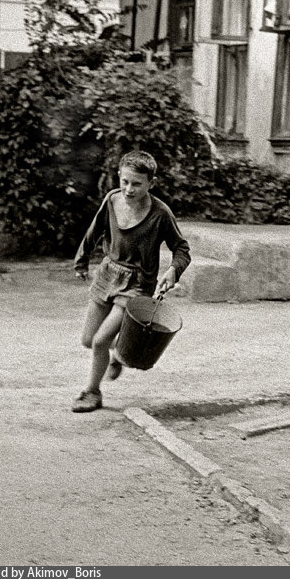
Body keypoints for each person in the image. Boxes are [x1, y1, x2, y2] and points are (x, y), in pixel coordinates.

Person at [71, 150, 191, 412]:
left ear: (151, 183)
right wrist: (81, 261)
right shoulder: (112, 200)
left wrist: (173, 271)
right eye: (124, 181)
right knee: (88, 339)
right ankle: (123, 351)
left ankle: (92, 392)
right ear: (119, 178)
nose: (128, 189)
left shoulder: (160, 214)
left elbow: (181, 249)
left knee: (101, 341)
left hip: (138, 283)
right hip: (107, 274)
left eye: (137, 183)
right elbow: (94, 231)